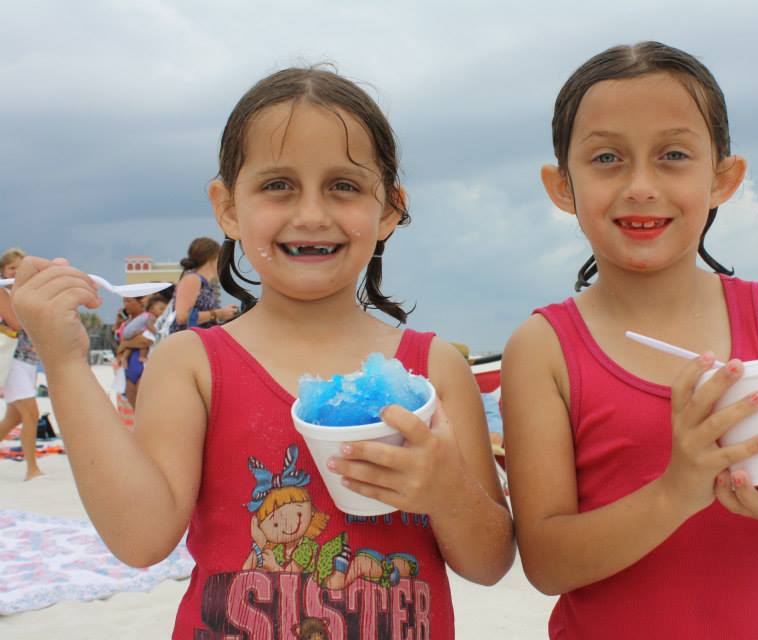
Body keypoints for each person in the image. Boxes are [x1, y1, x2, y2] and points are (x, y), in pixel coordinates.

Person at [11, 66, 513, 638]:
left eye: (344, 185)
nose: (311, 214)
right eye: (278, 185)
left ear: (390, 209)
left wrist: (447, 491)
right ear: (227, 206)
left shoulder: (435, 368)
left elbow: (489, 563)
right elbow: (140, 539)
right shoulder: (193, 364)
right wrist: (66, 361)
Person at [500, 42, 758, 639]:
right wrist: (676, 490)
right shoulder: (544, 348)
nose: (641, 185)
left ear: (724, 178)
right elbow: (546, 562)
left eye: (673, 155)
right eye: (606, 158)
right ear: (562, 186)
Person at [0, 248, 44, 480]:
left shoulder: (28, 292)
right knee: (31, 415)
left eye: (21, 267)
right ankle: (32, 469)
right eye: (12, 268)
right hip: (13, 359)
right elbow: (16, 324)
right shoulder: (4, 293)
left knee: (13, 418)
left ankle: (32, 468)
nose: (16, 272)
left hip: (28, 360)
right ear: (3, 271)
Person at [169, 236, 238, 333]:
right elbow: (182, 317)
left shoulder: (203, 283)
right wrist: (221, 313)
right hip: (189, 342)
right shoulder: (193, 279)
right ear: (212, 258)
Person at [116, 294, 168, 407]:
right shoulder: (126, 323)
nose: (126, 304)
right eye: (124, 301)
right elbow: (120, 344)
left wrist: (125, 345)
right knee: (135, 409)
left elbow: (145, 341)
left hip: (144, 365)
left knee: (147, 407)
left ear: (140, 302)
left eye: (129, 301)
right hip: (129, 368)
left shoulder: (152, 319)